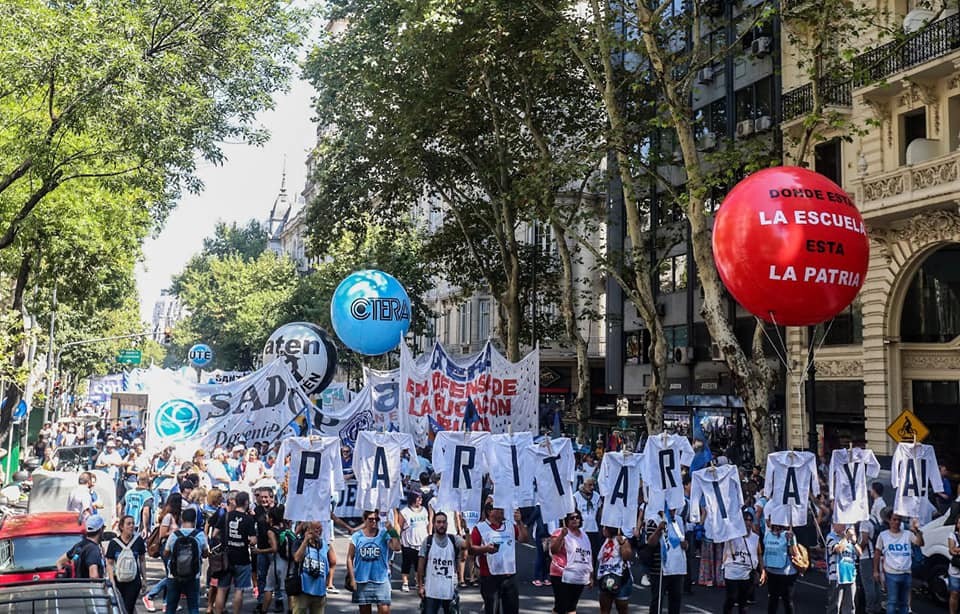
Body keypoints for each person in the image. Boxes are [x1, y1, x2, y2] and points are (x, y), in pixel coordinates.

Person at [470, 503, 530, 614]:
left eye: (502, 508)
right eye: (498, 508)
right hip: (490, 577)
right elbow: (471, 550)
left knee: (512, 610)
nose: (502, 510)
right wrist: (486, 549)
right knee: (492, 610)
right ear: (489, 512)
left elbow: (524, 539)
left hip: (509, 576)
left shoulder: (510, 525)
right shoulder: (480, 528)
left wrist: (519, 522)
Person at [346, 510, 402, 613]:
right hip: (362, 580)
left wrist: (391, 530)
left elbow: (397, 547)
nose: (374, 522)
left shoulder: (384, 534)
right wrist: (352, 579)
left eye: (376, 519)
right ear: (364, 520)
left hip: (381, 580)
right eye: (371, 519)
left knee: (384, 611)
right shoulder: (357, 536)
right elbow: (350, 558)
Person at [215, 490, 258, 614]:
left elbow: (215, 533)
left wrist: (225, 540)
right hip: (242, 557)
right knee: (239, 589)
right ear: (246, 503)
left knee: (222, 589)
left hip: (226, 557)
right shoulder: (248, 519)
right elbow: (253, 541)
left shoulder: (226, 515)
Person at [874, 512, 924, 614]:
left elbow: (920, 543)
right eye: (894, 520)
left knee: (904, 603)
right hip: (891, 574)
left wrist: (917, 531)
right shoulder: (883, 535)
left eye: (898, 520)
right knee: (892, 602)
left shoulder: (907, 534)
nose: (896, 522)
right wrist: (875, 571)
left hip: (906, 573)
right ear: (889, 521)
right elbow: (877, 553)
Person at [417, 511, 466, 614]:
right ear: (434, 524)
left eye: (444, 522)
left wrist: (467, 531)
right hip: (431, 591)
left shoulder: (453, 539)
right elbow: (420, 567)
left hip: (450, 591)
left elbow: (468, 546)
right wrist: (421, 586)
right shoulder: (428, 541)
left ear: (447, 524)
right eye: (438, 522)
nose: (441, 525)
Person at [164, 507, 211, 614]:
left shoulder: (174, 535)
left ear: (181, 519)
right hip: (193, 575)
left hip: (174, 574)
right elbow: (205, 554)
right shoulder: (199, 535)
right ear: (195, 520)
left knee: (171, 606)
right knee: (193, 606)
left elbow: (166, 553)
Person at [143, 492, 183, 612]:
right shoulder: (168, 517)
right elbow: (162, 535)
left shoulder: (177, 517)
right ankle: (150, 595)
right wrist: (175, 532)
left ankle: (167, 602)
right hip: (166, 548)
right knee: (172, 576)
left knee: (170, 575)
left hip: (174, 549)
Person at [548, 511, 593, 614]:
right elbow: (554, 550)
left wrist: (591, 575)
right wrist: (562, 536)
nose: (575, 520)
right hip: (561, 574)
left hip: (578, 574)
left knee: (572, 606)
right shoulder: (559, 532)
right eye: (572, 518)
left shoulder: (584, 535)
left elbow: (588, 555)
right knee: (561, 605)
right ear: (566, 520)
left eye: (577, 517)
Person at [644, 506, 687, 614]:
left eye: (674, 508)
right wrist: (658, 530)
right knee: (657, 602)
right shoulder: (654, 520)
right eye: (671, 508)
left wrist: (685, 545)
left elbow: (685, 543)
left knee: (675, 602)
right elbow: (650, 543)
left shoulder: (679, 520)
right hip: (660, 568)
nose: (673, 511)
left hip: (678, 567)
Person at [721, 511, 761, 614]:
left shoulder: (755, 538)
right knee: (731, 598)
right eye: (745, 520)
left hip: (746, 573)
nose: (747, 523)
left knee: (743, 602)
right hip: (732, 570)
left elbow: (759, 554)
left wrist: (762, 570)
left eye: (750, 520)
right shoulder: (731, 535)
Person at [292, 520, 336, 614]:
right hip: (303, 590)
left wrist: (328, 582)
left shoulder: (324, 544)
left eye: (320, 529)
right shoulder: (299, 543)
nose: (319, 532)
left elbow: (332, 563)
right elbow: (297, 558)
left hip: (319, 591)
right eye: (316, 529)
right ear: (308, 530)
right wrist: (305, 541)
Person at [106, 514, 148, 613]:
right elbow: (110, 563)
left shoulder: (138, 541)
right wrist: (112, 582)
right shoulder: (114, 543)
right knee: (119, 606)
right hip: (118, 581)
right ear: (121, 526)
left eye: (133, 523)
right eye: (128, 524)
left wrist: (144, 579)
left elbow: (142, 560)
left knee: (128, 607)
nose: (131, 526)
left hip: (134, 581)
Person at [761, 524, 798, 614]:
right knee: (773, 600)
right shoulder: (768, 535)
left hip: (786, 574)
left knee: (787, 601)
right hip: (772, 572)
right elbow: (766, 553)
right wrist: (764, 570)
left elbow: (794, 553)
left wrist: (791, 541)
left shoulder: (788, 534)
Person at [397, 492, 430, 592]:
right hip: (408, 542)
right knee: (406, 563)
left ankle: (418, 581)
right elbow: (400, 526)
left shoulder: (424, 510)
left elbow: (427, 524)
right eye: (418, 498)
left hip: (421, 542)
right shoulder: (405, 512)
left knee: (419, 563)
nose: (420, 500)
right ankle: (405, 582)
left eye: (421, 498)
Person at [597, 525, 633, 614]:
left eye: (605, 527)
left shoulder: (622, 539)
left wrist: (622, 544)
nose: (603, 529)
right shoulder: (603, 540)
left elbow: (627, 556)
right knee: (604, 610)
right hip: (604, 578)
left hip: (621, 579)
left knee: (622, 610)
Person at [825, 524, 860, 614]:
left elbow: (859, 553)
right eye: (841, 524)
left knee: (850, 606)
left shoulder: (850, 539)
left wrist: (854, 542)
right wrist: (846, 537)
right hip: (837, 576)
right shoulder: (831, 537)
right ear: (834, 525)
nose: (844, 526)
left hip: (850, 576)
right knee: (835, 606)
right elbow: (839, 549)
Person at [260, 507, 289, 614]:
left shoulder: (271, 531)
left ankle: (263, 610)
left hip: (277, 561)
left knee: (269, 586)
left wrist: (259, 551)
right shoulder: (285, 527)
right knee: (286, 588)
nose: (266, 517)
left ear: (271, 519)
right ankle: (291, 610)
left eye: (268, 516)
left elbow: (274, 548)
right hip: (286, 561)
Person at [573, 478, 602, 567]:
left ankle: (592, 575)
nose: (592, 487)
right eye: (590, 485)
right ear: (584, 485)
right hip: (581, 530)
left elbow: (600, 512)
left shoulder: (597, 496)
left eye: (593, 485)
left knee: (593, 555)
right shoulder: (576, 496)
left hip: (594, 530)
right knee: (581, 555)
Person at [948, 515, 959, 614]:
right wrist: (956, 550)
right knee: (954, 593)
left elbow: (955, 549)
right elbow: (952, 550)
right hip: (956, 571)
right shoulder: (953, 535)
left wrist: (957, 549)